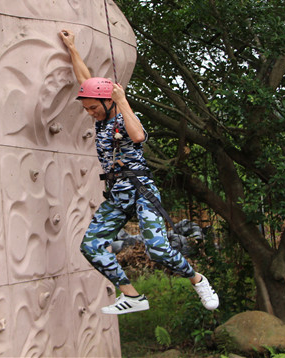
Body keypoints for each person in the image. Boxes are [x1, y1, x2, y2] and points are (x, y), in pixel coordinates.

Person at [58, 29, 218, 315]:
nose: (90, 113)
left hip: (141, 191)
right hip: (118, 195)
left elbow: (139, 136)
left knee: (158, 248)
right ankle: (132, 297)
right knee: (91, 246)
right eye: (87, 109)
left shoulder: (124, 117)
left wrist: (122, 100)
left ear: (108, 101)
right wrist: (72, 48)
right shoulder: (101, 115)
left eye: (93, 108)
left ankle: (198, 280)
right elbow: (86, 80)